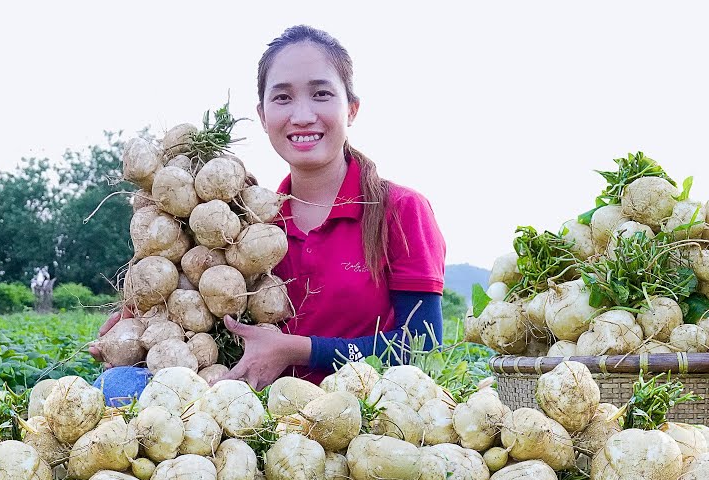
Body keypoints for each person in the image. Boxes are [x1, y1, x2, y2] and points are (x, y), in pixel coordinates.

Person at [90, 24, 446, 399]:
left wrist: (299, 350)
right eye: (283, 98)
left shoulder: (400, 210)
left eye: (322, 94)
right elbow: (206, 318)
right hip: (252, 414)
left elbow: (422, 344)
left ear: (352, 109)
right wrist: (141, 328)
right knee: (114, 388)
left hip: (360, 411)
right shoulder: (246, 223)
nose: (303, 115)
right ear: (262, 116)